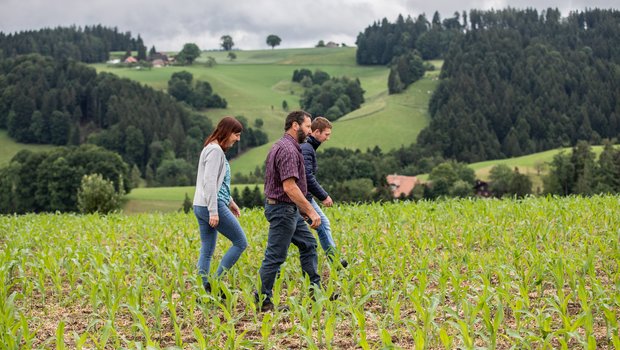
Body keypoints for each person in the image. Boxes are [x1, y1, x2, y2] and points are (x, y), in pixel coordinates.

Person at [256, 110, 323, 312]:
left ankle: (316, 293)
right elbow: (289, 187)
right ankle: (263, 301)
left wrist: (300, 209)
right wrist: (311, 211)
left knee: (309, 244)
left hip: (288, 209)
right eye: (308, 126)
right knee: (275, 256)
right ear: (295, 125)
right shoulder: (288, 150)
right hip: (282, 210)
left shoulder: (283, 145)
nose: (310, 131)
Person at [193, 116, 248, 297]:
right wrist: (214, 211)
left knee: (207, 250)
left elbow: (219, 183)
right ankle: (214, 285)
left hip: (201, 204)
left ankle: (204, 290)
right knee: (240, 242)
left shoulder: (210, 148)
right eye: (236, 134)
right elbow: (209, 182)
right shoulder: (215, 151)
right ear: (227, 131)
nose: (237, 139)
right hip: (211, 204)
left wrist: (231, 202)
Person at [300, 116, 348, 267]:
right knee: (322, 225)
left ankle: (334, 261)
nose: (328, 138)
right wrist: (323, 196)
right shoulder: (307, 148)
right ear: (316, 131)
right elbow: (307, 176)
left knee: (323, 224)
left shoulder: (309, 147)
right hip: (302, 197)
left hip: (305, 196)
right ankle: (335, 262)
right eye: (326, 134)